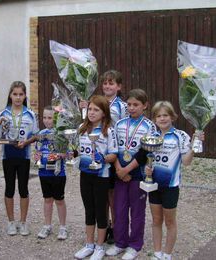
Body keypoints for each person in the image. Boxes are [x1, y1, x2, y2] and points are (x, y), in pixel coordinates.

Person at [146, 101, 204, 260]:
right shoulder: (151, 136)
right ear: (154, 119)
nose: (162, 118)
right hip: (153, 185)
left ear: (172, 117)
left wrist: (193, 146)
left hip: (171, 186)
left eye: (165, 115)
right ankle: (157, 253)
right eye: (159, 116)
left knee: (170, 222)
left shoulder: (180, 136)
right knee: (156, 220)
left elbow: (186, 162)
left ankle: (167, 254)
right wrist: (147, 169)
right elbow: (149, 159)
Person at [106, 88, 156, 260]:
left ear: (145, 106)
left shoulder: (149, 126)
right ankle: (120, 242)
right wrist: (119, 169)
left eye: (136, 105)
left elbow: (144, 152)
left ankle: (135, 245)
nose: (132, 108)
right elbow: (114, 149)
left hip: (138, 175)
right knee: (119, 210)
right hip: (119, 173)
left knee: (137, 212)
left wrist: (127, 170)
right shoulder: (119, 125)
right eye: (129, 104)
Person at [80, 70, 128, 244]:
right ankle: (105, 224)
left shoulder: (122, 106)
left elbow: (125, 129)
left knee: (112, 195)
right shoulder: (96, 103)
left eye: (111, 83)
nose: (107, 86)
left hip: (114, 151)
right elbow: (84, 129)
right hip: (97, 150)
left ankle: (115, 228)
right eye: (105, 83)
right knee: (102, 197)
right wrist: (83, 110)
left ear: (119, 86)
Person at [74, 95, 118, 260]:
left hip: (102, 176)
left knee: (100, 211)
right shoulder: (82, 128)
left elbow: (114, 155)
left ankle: (99, 246)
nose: (92, 113)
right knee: (88, 210)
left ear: (104, 113)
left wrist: (103, 158)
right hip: (85, 174)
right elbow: (78, 150)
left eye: (96, 110)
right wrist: (73, 153)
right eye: (90, 109)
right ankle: (89, 244)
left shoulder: (108, 131)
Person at [0, 81, 39, 236]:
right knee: (9, 188)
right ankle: (10, 222)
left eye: (21, 94)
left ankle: (23, 222)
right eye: (15, 94)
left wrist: (26, 142)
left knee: (23, 189)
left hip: (24, 156)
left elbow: (36, 135)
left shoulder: (30, 114)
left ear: (25, 96)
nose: (17, 97)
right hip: (7, 156)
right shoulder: (3, 114)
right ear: (10, 95)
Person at [35, 106, 68, 240]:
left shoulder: (61, 134)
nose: (47, 121)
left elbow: (68, 153)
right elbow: (38, 149)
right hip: (44, 172)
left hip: (58, 172)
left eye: (50, 118)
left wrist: (58, 156)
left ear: (56, 119)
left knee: (59, 200)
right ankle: (47, 225)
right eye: (44, 117)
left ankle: (63, 227)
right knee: (47, 199)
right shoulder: (41, 133)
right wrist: (37, 157)